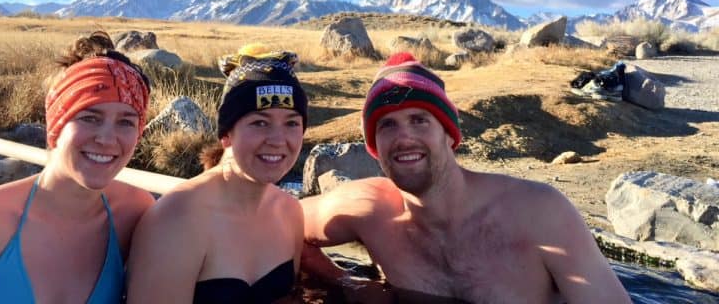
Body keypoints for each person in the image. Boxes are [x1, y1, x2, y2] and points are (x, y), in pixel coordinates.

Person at [302, 52, 632, 304]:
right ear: (375, 147)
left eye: (419, 120)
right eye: (387, 125)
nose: (404, 138)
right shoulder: (368, 210)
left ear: (449, 135)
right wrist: (345, 282)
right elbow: (276, 219)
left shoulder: (539, 213)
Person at [0, 30, 155, 304]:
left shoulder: (134, 211)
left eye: (126, 122)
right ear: (56, 124)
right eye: (90, 117)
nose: (107, 139)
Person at [126, 44, 307, 304]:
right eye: (259, 122)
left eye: (291, 123)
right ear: (226, 134)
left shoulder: (289, 212)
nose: (278, 140)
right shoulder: (177, 220)